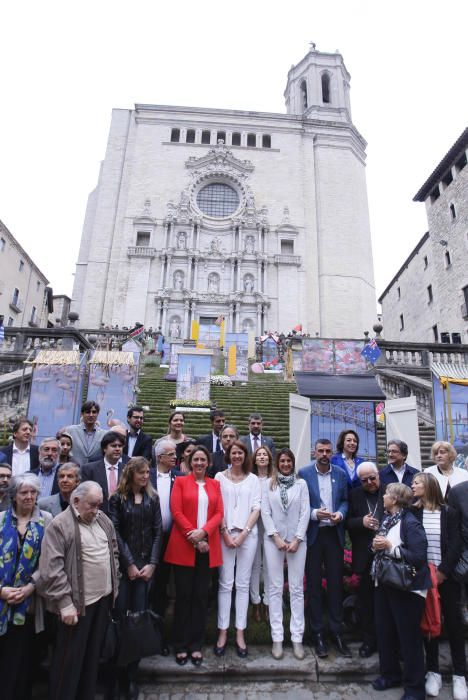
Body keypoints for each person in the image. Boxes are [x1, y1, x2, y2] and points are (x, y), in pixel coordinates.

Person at [38, 481, 120, 700]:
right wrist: (65, 604)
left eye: (99, 505)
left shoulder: (102, 519)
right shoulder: (60, 525)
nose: (96, 510)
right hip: (75, 606)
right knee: (69, 661)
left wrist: (115, 583)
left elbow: (113, 551)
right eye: (92, 505)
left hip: (101, 601)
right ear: (76, 501)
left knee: (92, 658)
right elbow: (51, 570)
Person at [371, 482, 431, 700]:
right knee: (385, 632)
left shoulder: (410, 523)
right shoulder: (387, 520)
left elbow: (418, 555)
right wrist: (376, 546)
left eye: (386, 494)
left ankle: (415, 688)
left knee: (409, 638)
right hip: (385, 583)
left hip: (407, 588)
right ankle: (390, 675)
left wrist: (389, 547)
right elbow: (379, 546)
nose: (383, 496)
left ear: (394, 500)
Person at [164, 446, 223, 666]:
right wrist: (195, 537)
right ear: (189, 462)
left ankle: (196, 645)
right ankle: (180, 644)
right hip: (184, 546)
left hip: (207, 547)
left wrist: (205, 533)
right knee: (183, 597)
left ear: (208, 463)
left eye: (202, 459)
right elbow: (176, 511)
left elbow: (219, 513)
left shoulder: (215, 484)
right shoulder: (180, 482)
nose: (199, 463)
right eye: (195, 459)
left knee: (200, 597)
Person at [109, 457, 163, 699]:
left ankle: (132, 677)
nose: (145, 476)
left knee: (139, 621)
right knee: (120, 620)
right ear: (131, 474)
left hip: (144, 569)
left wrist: (151, 564)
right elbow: (115, 533)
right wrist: (129, 563)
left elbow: (157, 532)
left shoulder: (153, 499)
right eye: (141, 473)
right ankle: (115, 676)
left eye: (147, 472)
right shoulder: (117, 499)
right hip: (123, 568)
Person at [411, 472, 467, 700]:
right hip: (424, 577)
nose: (412, 486)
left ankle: (460, 675)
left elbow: (456, 544)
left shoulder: (449, 513)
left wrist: (443, 571)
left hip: (447, 577)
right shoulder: (413, 512)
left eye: (417, 483)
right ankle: (432, 671)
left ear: (429, 486)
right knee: (429, 623)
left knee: (453, 623)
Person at [0, 473, 52, 700]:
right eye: (24, 492)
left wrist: (31, 587)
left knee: (23, 659)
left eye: (33, 492)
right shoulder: (1, 519)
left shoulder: (46, 520)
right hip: (2, 600)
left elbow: (50, 561)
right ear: (13, 496)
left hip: (30, 602)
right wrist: (1, 590)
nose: (29, 497)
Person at [299, 438, 350, 658]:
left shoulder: (339, 473)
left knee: (336, 584)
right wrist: (313, 513)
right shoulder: (304, 473)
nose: (324, 454)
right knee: (313, 584)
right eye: (320, 450)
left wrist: (341, 513)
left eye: (328, 451)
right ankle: (318, 632)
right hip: (314, 534)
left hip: (334, 534)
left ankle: (337, 631)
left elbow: (346, 500)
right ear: (314, 451)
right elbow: (300, 502)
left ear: (332, 453)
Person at [261, 448, 310, 660]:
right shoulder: (268, 484)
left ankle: (297, 638)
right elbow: (265, 512)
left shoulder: (302, 484)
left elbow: (305, 512)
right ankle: (277, 639)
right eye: (282, 461)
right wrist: (276, 537)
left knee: (297, 589)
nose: (286, 464)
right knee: (275, 589)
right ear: (277, 463)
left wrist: (298, 538)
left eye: (289, 461)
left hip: (298, 542)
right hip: (274, 541)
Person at [214, 440, 261, 657]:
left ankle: (240, 632)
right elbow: (217, 507)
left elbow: (256, 507)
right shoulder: (219, 478)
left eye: (240, 453)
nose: (237, 456)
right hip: (224, 534)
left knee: (242, 584)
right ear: (228, 454)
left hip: (247, 536)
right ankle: (223, 631)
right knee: (225, 583)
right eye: (233, 452)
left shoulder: (253, 480)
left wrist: (243, 533)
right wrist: (224, 532)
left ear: (245, 456)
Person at [346, 461, 384, 657]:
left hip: (388, 558)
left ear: (378, 475)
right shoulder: (354, 495)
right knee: (366, 603)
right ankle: (369, 641)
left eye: (372, 478)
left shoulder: (389, 492)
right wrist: (361, 522)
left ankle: (389, 642)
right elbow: (347, 523)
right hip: (364, 557)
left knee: (387, 604)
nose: (369, 482)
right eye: (365, 480)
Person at [150, 439, 182, 645]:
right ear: (160, 457)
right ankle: (152, 636)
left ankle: (167, 637)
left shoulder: (180, 477)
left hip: (175, 539)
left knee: (173, 587)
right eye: (171, 454)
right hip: (152, 540)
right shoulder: (147, 476)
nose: (175, 457)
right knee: (155, 589)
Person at [250, 445, 274, 622]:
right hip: (253, 525)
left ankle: (267, 602)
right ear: (255, 459)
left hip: (270, 526)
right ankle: (255, 602)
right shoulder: (250, 478)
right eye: (259, 455)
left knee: (269, 565)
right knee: (254, 564)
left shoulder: (275, 479)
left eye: (265, 454)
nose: (262, 457)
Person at [82, 431, 130, 514]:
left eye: (120, 446)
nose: (118, 449)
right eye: (114, 446)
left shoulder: (127, 469)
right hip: (95, 515)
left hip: (121, 517)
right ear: (104, 448)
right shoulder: (89, 469)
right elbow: (84, 495)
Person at [63, 400, 107, 467]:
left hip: (94, 473)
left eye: (94, 412)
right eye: (88, 412)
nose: (91, 415)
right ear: (82, 414)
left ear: (98, 414)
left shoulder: (104, 434)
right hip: (74, 472)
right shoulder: (70, 430)